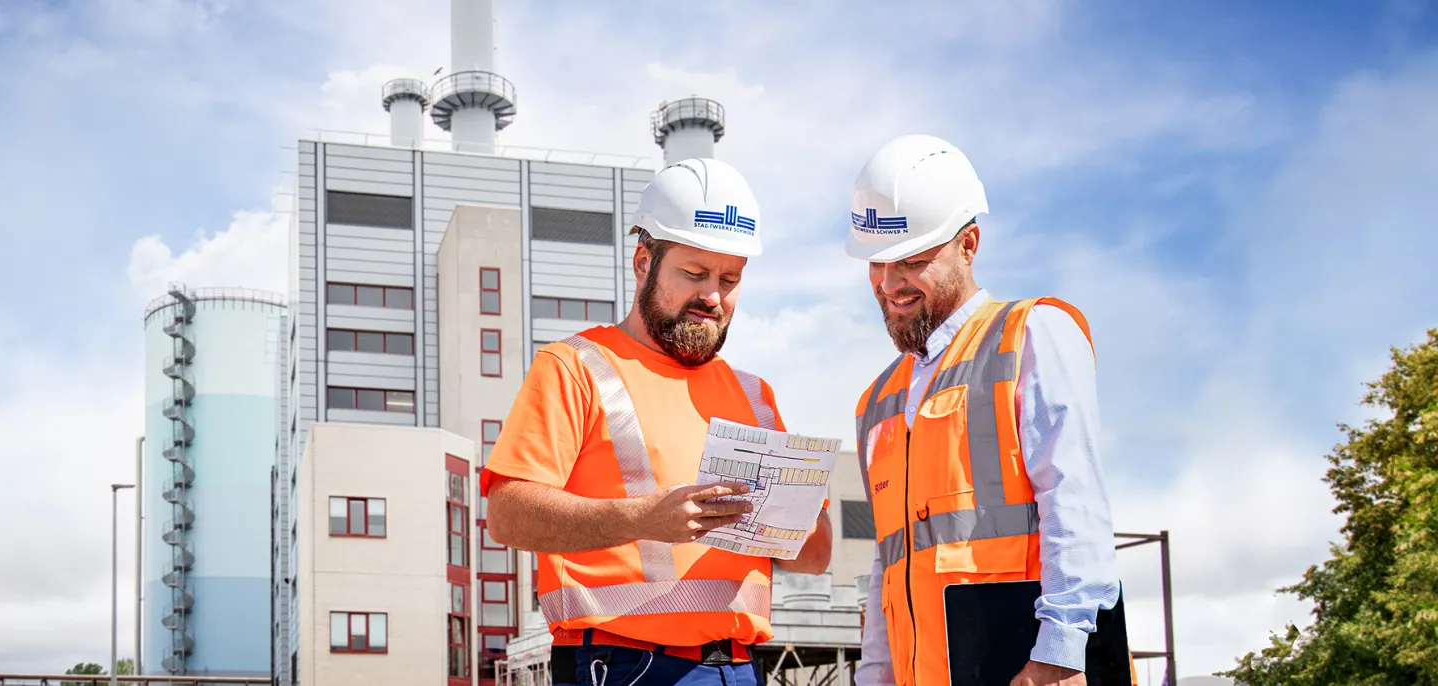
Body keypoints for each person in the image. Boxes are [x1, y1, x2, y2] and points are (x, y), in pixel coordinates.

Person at [482, 157, 833, 686]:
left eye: (730, 278)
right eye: (693, 273)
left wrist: (779, 522)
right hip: (622, 664)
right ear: (643, 261)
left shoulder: (756, 396)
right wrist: (642, 519)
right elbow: (508, 515)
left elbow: (816, 555)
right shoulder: (576, 367)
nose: (712, 296)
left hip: (739, 667)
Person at [846, 135, 1128, 686]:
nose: (889, 284)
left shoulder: (1031, 335)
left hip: (1023, 669)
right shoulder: (876, 402)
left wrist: (1061, 654)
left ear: (969, 244)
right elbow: (889, 564)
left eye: (913, 261)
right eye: (876, 264)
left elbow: (1073, 502)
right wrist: (874, 675)